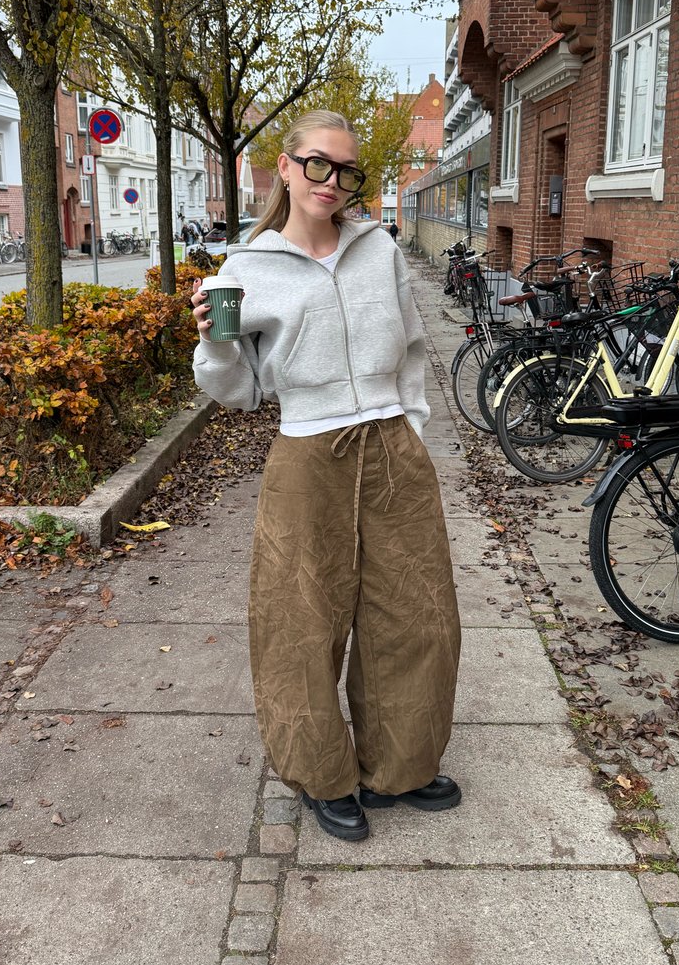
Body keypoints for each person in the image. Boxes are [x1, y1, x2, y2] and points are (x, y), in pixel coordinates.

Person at [190, 110, 461, 843]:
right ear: (285, 166)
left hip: (391, 449)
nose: (332, 183)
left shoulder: (379, 249)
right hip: (307, 452)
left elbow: (410, 344)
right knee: (301, 623)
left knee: (415, 610)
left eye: (346, 171)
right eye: (318, 165)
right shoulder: (247, 269)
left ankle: (400, 764)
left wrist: (412, 421)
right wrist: (213, 339)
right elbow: (238, 387)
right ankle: (323, 773)